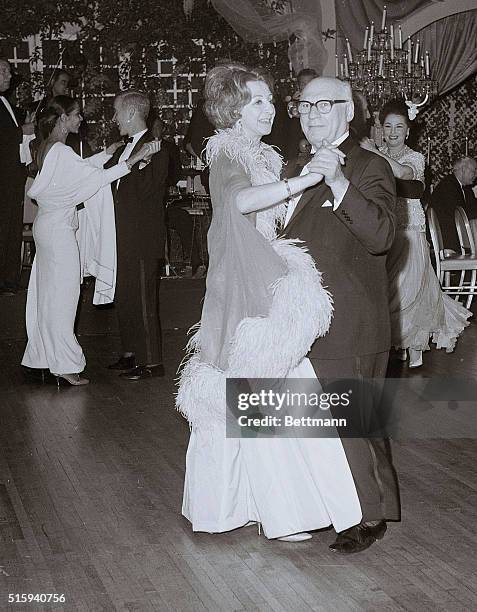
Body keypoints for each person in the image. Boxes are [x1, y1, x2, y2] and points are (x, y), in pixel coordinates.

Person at [177, 63, 363, 543]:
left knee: (265, 384)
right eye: (257, 101)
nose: (271, 108)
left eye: (270, 100)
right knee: (260, 384)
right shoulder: (225, 155)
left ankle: (257, 506)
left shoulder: (260, 154)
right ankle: (283, 511)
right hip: (243, 281)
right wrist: (303, 182)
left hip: (260, 275)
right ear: (234, 109)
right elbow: (240, 204)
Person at [283, 77, 400, 553]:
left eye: (324, 105)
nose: (311, 114)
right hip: (305, 317)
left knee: (357, 425)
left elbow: (382, 237)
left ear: (348, 111)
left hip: (352, 320)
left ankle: (371, 516)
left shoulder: (370, 166)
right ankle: (337, 505)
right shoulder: (295, 164)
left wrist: (339, 182)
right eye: (304, 106)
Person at [21, 95, 160, 385]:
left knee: (45, 296)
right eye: (76, 115)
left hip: (45, 227)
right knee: (64, 298)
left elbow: (76, 171)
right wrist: (130, 161)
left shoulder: (47, 148)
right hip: (59, 233)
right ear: (62, 119)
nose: (80, 120)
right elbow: (89, 179)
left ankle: (42, 358)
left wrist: (104, 155)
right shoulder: (61, 151)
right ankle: (65, 365)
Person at [361, 100, 472, 368]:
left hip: (410, 230)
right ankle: (396, 343)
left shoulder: (415, 157)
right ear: (381, 129)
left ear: (408, 131)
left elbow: (403, 173)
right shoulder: (376, 153)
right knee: (390, 289)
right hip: (384, 229)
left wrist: (375, 152)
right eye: (388, 126)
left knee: (410, 288)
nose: (393, 132)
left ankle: (414, 348)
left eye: (399, 127)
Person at [106, 90, 169, 381]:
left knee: (144, 300)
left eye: (117, 112)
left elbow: (147, 191)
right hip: (122, 236)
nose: (114, 118)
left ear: (131, 113)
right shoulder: (122, 149)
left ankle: (153, 362)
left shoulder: (158, 148)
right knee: (126, 296)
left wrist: (142, 163)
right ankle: (130, 353)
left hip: (143, 237)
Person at [0, 58, 35, 295]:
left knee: (12, 228)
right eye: (3, 71)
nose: (9, 76)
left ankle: (9, 280)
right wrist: (20, 132)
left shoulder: (6, 103)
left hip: (12, 178)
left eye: (9, 72)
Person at [430, 157, 477, 251]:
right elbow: (460, 216)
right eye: (474, 171)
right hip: (449, 242)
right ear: (463, 169)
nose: (476, 175)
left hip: (460, 237)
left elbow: (474, 210)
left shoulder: (466, 189)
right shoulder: (447, 186)